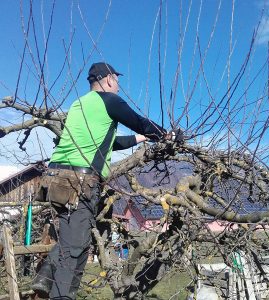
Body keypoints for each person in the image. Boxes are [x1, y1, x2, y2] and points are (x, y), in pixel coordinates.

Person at [32, 62, 172, 299]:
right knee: (74, 250)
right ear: (108, 79)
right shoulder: (109, 100)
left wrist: (140, 138)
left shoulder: (79, 104)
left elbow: (109, 142)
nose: (118, 85)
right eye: (117, 80)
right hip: (79, 182)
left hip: (55, 179)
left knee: (75, 241)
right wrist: (167, 135)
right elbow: (139, 120)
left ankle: (44, 277)